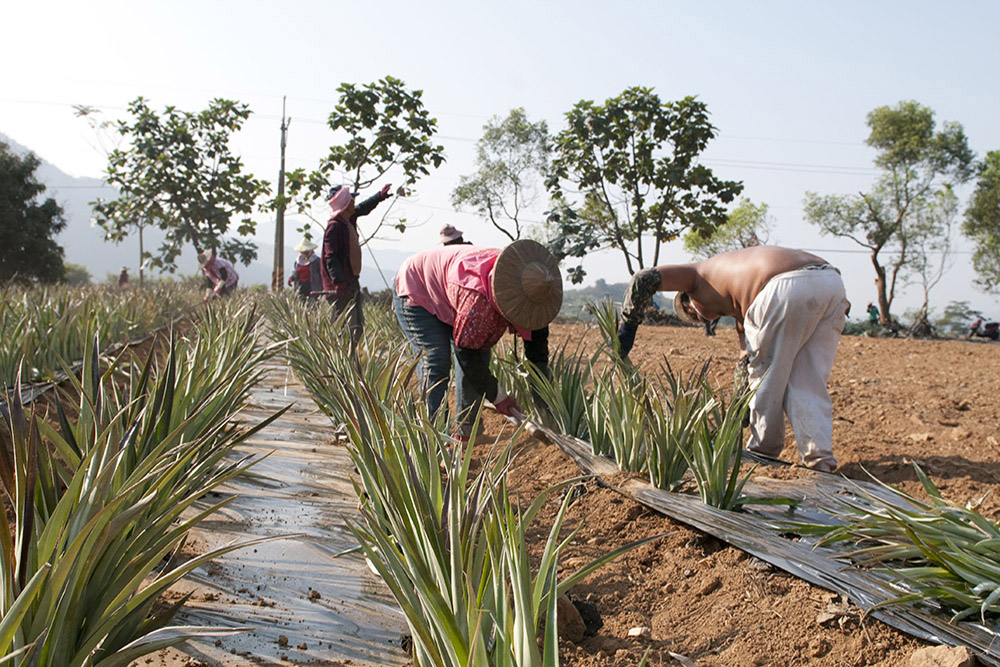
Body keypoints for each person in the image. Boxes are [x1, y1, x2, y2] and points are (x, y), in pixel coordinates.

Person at [616, 246, 849, 473]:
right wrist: (740, 407)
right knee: (807, 380)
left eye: (694, 314)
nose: (702, 319)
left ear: (689, 299)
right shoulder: (738, 302)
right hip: (830, 282)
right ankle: (820, 460)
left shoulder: (696, 277)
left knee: (767, 376)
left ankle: (762, 453)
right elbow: (746, 359)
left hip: (785, 286)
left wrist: (628, 324)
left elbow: (643, 278)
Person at [394, 239, 562, 438]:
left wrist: (547, 410)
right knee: (436, 362)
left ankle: (465, 432)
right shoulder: (479, 305)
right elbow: (467, 357)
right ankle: (435, 441)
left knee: (481, 357)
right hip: (418, 286)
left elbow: (538, 357)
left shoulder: (537, 295)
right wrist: (498, 396)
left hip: (453, 293)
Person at [321, 183, 392, 343]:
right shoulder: (335, 227)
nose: (354, 202)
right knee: (344, 328)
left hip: (351, 281)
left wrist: (378, 197)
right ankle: (342, 362)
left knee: (357, 326)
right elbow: (330, 257)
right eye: (351, 200)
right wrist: (338, 282)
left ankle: (353, 361)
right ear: (345, 205)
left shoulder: (347, 219)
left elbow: (362, 208)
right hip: (341, 286)